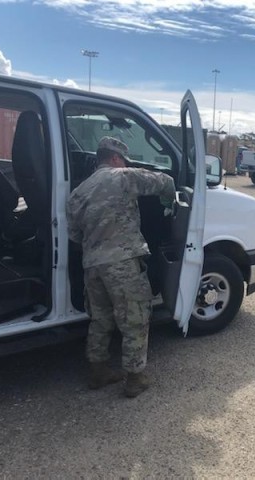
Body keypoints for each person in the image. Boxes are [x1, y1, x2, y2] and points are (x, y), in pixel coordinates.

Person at [66, 136, 175, 398]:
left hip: (92, 266)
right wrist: (171, 204)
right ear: (116, 158)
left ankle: (98, 371)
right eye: (123, 159)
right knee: (135, 319)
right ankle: (135, 379)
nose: (124, 163)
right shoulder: (123, 176)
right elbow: (166, 182)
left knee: (100, 320)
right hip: (123, 262)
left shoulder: (78, 192)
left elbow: (73, 236)